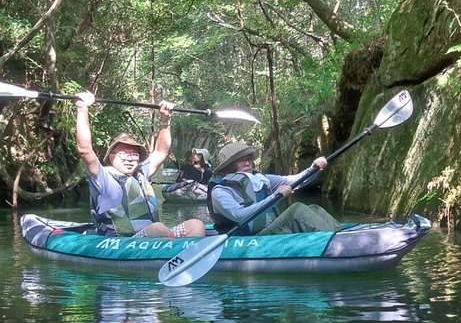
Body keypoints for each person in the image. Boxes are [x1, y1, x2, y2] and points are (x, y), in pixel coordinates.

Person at [75, 92, 206, 238]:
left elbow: (161, 151)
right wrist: (82, 108)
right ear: (111, 157)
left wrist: (165, 119)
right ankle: (172, 251)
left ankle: (187, 256)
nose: (129, 158)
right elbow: (85, 150)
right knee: (158, 229)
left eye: (134, 154)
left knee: (196, 225)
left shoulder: (141, 172)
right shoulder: (102, 177)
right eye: (123, 153)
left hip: (153, 239)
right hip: (122, 243)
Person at [207, 142, 342, 236]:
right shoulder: (220, 191)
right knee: (296, 210)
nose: (247, 162)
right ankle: (333, 240)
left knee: (313, 208)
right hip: (249, 237)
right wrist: (274, 197)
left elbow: (294, 181)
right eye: (241, 160)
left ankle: (339, 234)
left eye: (249, 159)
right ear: (229, 166)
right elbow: (239, 215)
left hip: (269, 228)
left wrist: (314, 168)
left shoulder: (259, 179)